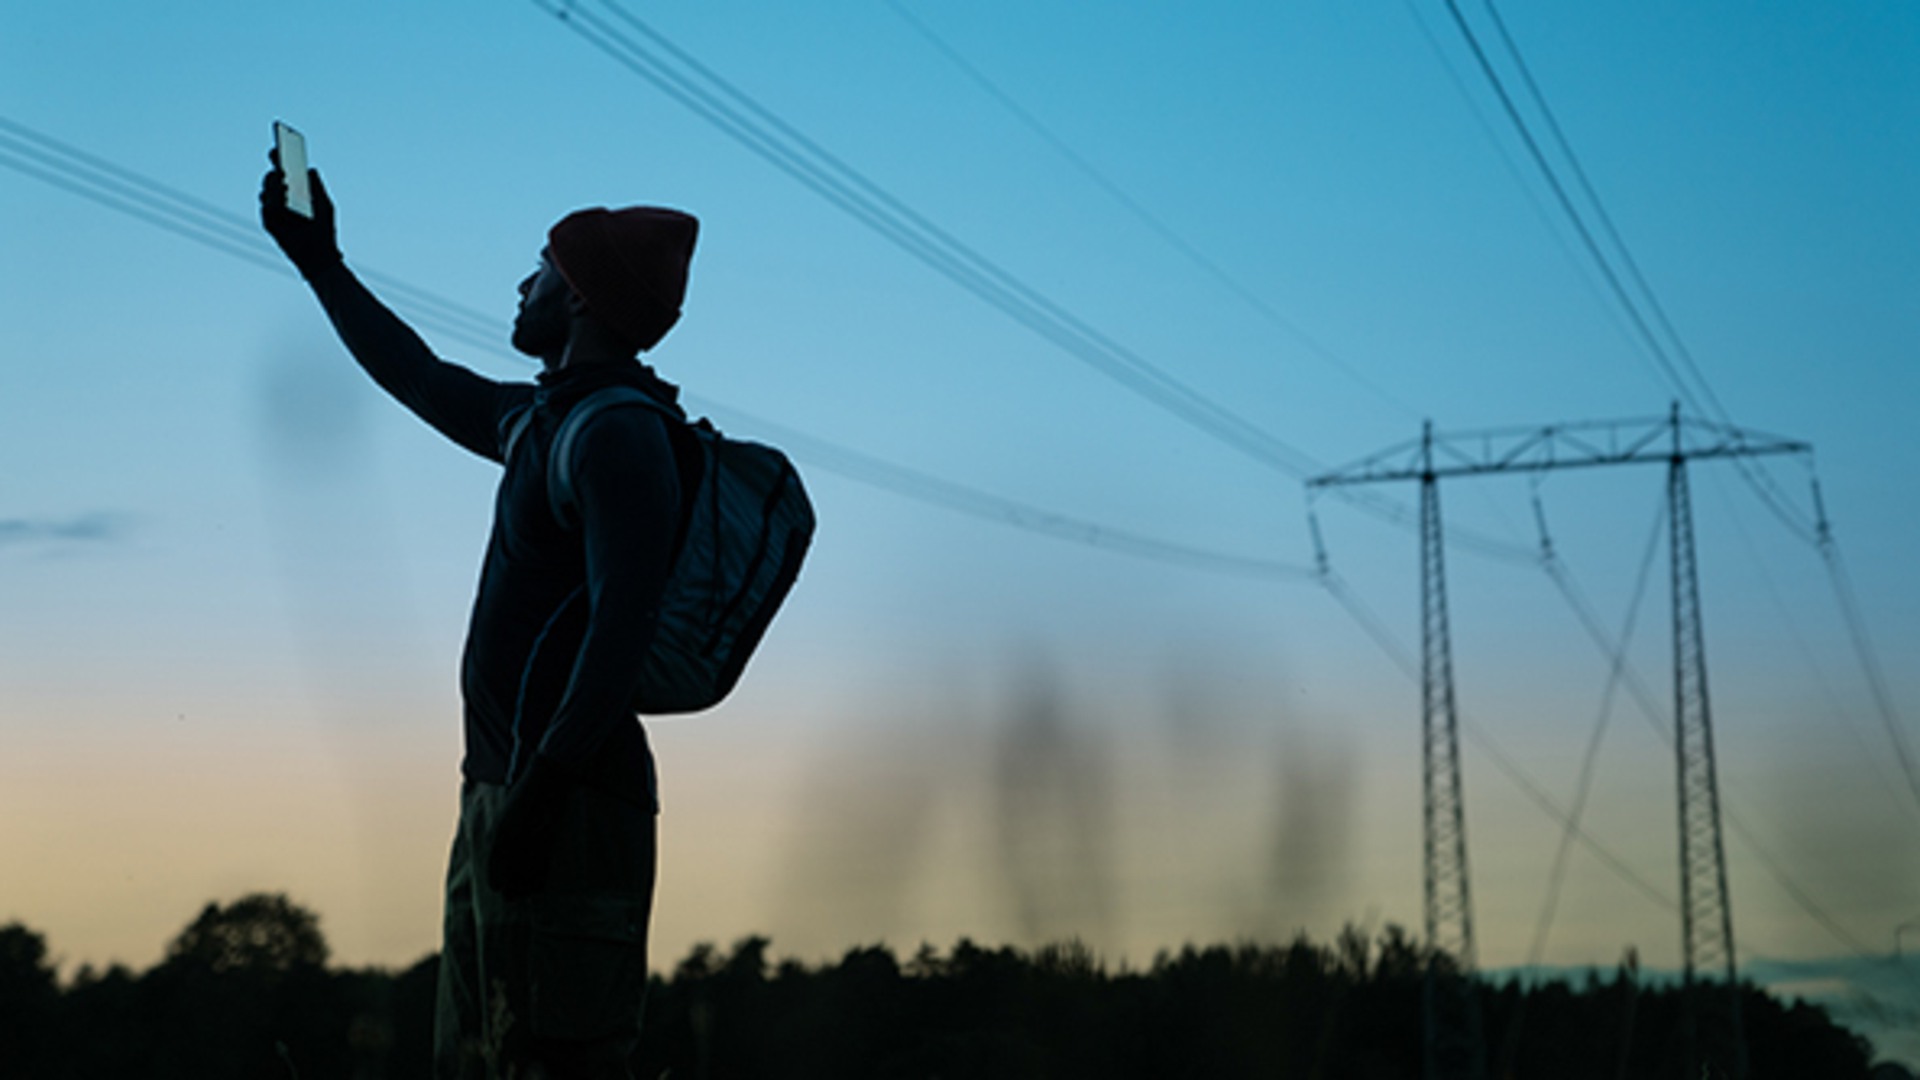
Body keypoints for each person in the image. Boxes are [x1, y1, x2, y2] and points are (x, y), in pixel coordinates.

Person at [261, 154, 698, 1079]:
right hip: (506, 795)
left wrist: (538, 799)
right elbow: (417, 375)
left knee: (555, 1062)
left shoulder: (617, 435)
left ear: (577, 299)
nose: (521, 282)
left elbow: (622, 634)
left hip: (566, 806)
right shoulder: (543, 420)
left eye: (540, 266)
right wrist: (320, 262)